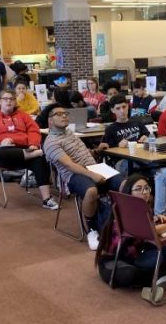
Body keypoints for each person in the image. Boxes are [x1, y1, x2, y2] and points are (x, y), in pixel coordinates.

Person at [94, 174, 166, 300]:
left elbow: (149, 226)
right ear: (129, 192)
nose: (144, 192)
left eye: (147, 188)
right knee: (129, 274)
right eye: (138, 189)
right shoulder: (126, 209)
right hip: (113, 262)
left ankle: (162, 276)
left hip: (135, 258)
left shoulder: (143, 207)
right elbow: (150, 231)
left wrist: (157, 219)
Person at [44, 103, 125, 250]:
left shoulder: (69, 133)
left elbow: (83, 155)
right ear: (50, 120)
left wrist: (96, 151)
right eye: (59, 114)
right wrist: (92, 174)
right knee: (91, 191)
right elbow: (70, 165)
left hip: (94, 167)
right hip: (73, 175)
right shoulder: (50, 143)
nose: (64, 116)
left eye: (65, 113)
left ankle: (126, 222)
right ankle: (92, 230)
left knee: (126, 184)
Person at [0, 91, 58, 210]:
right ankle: (39, 152)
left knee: (39, 160)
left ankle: (46, 199)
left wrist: (33, 144)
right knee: (1, 153)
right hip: (5, 154)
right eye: (5, 99)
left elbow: (34, 130)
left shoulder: (23, 116)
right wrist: (0, 142)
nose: (9, 101)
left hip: (25, 150)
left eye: (11, 99)